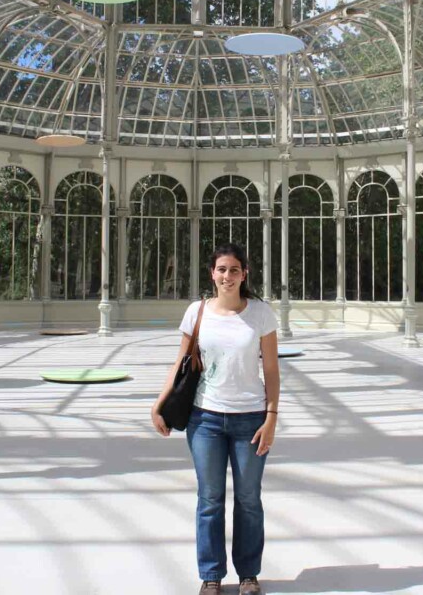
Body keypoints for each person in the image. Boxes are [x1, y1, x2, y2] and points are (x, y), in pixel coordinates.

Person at [151, 242, 280, 595]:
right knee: (209, 500)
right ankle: (211, 575)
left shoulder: (261, 314)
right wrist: (159, 403)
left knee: (249, 499)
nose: (227, 276)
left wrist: (271, 416)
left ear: (244, 274)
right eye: (222, 269)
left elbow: (271, 369)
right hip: (204, 418)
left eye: (234, 270)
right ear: (212, 273)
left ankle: (248, 575)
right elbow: (181, 364)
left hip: (250, 420)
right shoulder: (197, 312)